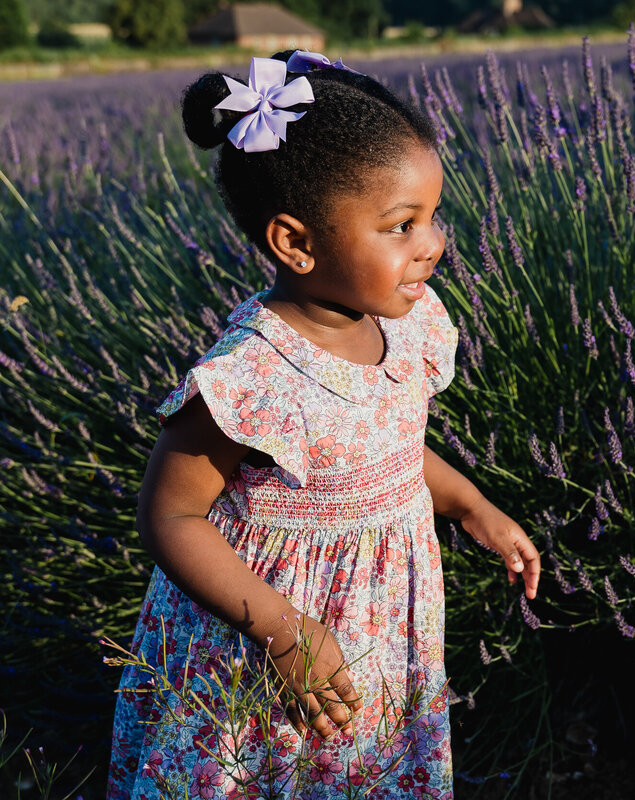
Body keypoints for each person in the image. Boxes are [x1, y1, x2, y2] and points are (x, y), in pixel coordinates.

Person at [107, 51, 540, 799]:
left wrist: (471, 505)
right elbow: (171, 513)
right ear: (296, 243)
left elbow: (388, 445)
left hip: (379, 633)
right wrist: (285, 632)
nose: (431, 243)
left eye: (432, 217)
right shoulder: (250, 378)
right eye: (401, 225)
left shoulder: (404, 326)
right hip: (265, 640)